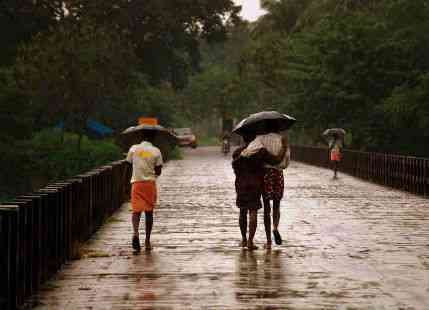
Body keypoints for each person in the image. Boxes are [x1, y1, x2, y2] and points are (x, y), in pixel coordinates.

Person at [232, 134, 286, 250]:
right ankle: (251, 241)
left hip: (241, 184)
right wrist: (284, 148)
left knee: (242, 211)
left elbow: (235, 167)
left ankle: (244, 240)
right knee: (253, 212)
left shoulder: (237, 152)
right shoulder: (260, 152)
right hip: (255, 184)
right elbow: (276, 160)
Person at [126, 131, 163, 252]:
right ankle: (147, 241)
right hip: (149, 185)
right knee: (149, 212)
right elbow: (158, 171)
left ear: (141, 137)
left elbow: (128, 165)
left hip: (136, 183)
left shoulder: (133, 149)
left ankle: (136, 233)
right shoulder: (156, 151)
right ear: (153, 138)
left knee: (136, 211)